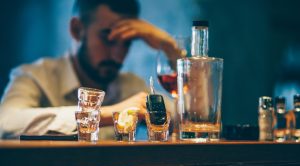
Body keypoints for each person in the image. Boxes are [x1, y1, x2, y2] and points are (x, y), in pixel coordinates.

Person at [0, 0, 179, 138]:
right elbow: (6, 123)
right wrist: (109, 114)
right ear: (77, 30)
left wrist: (171, 48)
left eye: (126, 43)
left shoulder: (131, 85)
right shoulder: (34, 76)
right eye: (108, 39)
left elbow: (190, 121)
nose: (118, 56)